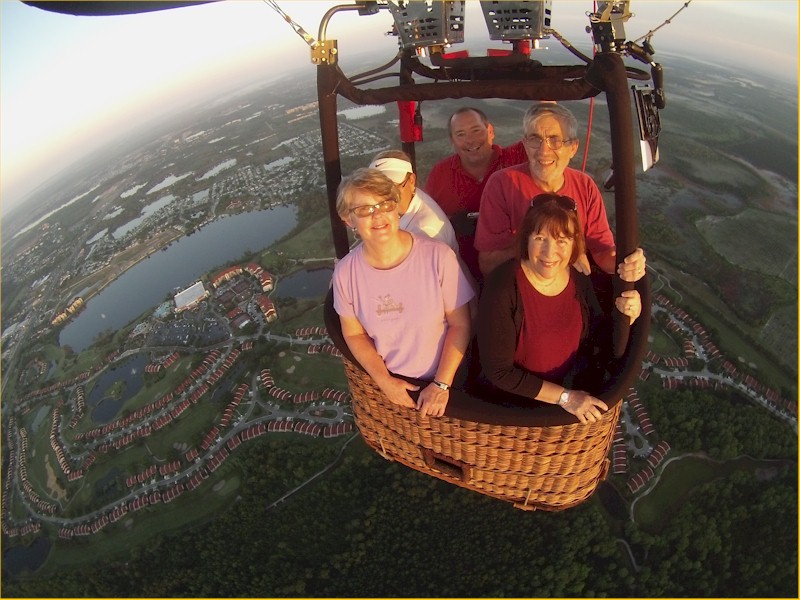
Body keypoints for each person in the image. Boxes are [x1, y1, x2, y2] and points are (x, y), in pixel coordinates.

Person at [477, 194, 642, 424]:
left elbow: (598, 338)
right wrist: (565, 398)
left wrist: (628, 314)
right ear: (526, 239)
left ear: (574, 244)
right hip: (517, 410)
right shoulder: (503, 286)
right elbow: (499, 372)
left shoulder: (578, 278)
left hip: (570, 395)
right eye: (540, 238)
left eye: (561, 240)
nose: (549, 252)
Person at [332, 168, 474, 417]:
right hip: (394, 387)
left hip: (450, 381)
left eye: (385, 204)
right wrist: (384, 380)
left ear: (396, 207)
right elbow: (354, 334)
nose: (378, 215)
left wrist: (441, 384)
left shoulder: (438, 257)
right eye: (364, 209)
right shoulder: (345, 274)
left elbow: (460, 324)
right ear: (348, 219)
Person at [474, 102, 646, 282]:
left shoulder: (585, 186)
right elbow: (488, 264)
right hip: (519, 285)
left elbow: (602, 251)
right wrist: (565, 252)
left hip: (572, 287)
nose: (543, 151)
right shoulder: (502, 184)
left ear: (573, 148)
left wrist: (627, 264)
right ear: (525, 144)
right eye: (535, 139)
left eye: (555, 140)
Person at [424, 107, 527, 280]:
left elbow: (545, 121)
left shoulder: (515, 159)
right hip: (459, 277)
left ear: (490, 131)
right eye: (461, 134)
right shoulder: (440, 174)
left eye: (476, 130)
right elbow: (425, 220)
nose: (470, 140)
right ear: (452, 141)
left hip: (513, 275)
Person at [369, 150, 458, 253]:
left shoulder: (424, 233)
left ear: (411, 180)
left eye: (392, 187)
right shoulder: (411, 198)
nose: (384, 196)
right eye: (376, 189)